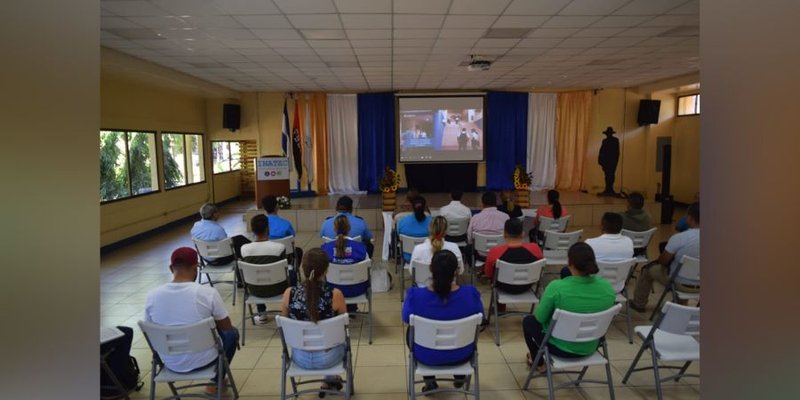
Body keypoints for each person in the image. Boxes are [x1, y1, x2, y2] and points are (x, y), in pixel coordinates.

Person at [144, 247, 239, 396]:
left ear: (171, 268)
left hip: (169, 363)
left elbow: (150, 331)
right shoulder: (207, 293)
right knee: (233, 333)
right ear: (196, 267)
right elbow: (226, 327)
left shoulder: (152, 296)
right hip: (205, 360)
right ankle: (216, 380)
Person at [522, 242, 616, 369]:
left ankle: (537, 362)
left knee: (529, 321)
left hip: (560, 348)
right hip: (591, 345)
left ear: (569, 261)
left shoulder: (556, 287)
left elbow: (539, 318)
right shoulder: (607, 287)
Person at [402, 250, 484, 393]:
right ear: (456, 271)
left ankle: (430, 381)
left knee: (412, 330)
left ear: (430, 269)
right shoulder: (471, 294)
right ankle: (459, 376)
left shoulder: (415, 295)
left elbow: (405, 318)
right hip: (462, 354)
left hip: (426, 355)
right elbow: (481, 317)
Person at [281, 248, 348, 394]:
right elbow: (344, 327)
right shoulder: (335, 295)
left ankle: (329, 380)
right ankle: (330, 378)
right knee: (340, 339)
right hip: (328, 358)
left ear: (302, 268)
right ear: (326, 270)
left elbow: (285, 327)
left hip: (300, 358)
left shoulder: (289, 294)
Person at [630, 202, 700, 312]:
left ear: (690, 218)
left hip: (679, 283)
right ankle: (680, 304)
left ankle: (639, 303)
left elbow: (663, 261)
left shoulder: (680, 238)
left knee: (647, 270)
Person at [240, 215, 288, 325]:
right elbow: (284, 271)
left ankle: (261, 314)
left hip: (254, 291)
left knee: (255, 276)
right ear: (268, 228)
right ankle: (289, 312)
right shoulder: (279, 247)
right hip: (278, 288)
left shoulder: (244, 249)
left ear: (252, 230)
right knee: (292, 274)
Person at [484, 219, 544, 304]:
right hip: (527, 285)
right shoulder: (535, 248)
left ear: (504, 234)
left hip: (503, 286)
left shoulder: (495, 252)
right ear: (522, 233)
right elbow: (541, 269)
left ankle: (499, 308)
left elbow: (488, 274)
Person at [561, 212, 634, 278]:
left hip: (593, 285)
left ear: (602, 226)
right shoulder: (629, 242)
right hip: (619, 286)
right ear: (621, 227)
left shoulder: (590, 243)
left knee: (567, 270)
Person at [321, 215, 369, 312]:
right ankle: (351, 309)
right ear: (349, 228)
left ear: (334, 228)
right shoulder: (361, 248)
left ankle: (336, 309)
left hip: (332, 290)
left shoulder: (326, 248)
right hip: (358, 289)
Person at [262, 195, 304, 266]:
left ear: (264, 208)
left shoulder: (261, 224)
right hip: (284, 257)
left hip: (265, 256)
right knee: (298, 251)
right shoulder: (285, 224)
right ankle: (293, 273)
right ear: (277, 207)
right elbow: (292, 237)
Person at [397, 196, 433, 263]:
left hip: (408, 257)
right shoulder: (432, 222)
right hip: (428, 257)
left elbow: (398, 235)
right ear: (425, 207)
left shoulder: (402, 222)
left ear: (412, 207)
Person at [598, 126, 620, 195]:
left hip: (612, 161)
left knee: (611, 175)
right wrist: (601, 161)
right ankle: (607, 188)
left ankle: (610, 188)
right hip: (606, 161)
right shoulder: (604, 141)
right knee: (607, 175)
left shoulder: (615, 140)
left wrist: (615, 161)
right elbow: (601, 151)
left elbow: (616, 152)